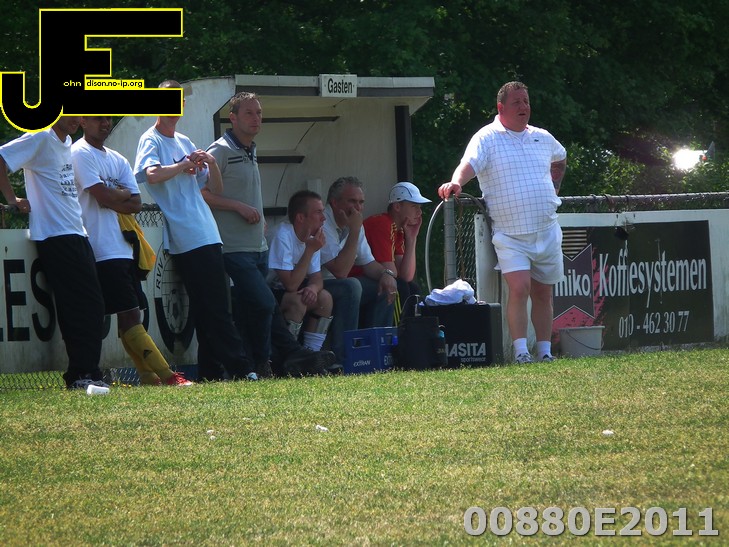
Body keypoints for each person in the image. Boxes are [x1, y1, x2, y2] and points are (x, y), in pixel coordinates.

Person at [204, 91, 336, 378]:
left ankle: (282, 359)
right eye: (249, 113)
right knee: (265, 304)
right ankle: (267, 363)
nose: (256, 118)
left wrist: (260, 218)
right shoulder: (219, 150)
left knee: (256, 309)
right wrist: (238, 207)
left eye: (259, 113)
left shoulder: (250, 148)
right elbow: (201, 193)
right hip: (232, 247)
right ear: (233, 118)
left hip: (257, 246)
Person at [133, 80, 257, 381]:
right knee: (217, 307)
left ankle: (210, 372)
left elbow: (215, 188)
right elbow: (150, 174)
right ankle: (242, 369)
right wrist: (182, 165)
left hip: (206, 232)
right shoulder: (150, 140)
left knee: (206, 307)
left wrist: (211, 162)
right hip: (188, 235)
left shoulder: (184, 140)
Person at [438, 81, 567, 364]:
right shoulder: (486, 137)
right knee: (519, 289)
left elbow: (560, 158)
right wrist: (456, 182)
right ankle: (521, 352)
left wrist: (554, 187)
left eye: (526, 101)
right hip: (510, 234)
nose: (524, 107)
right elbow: (469, 163)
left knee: (543, 292)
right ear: (501, 107)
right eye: (516, 102)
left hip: (546, 229)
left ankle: (545, 352)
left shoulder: (543, 137)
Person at [72, 116, 192, 386]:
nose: (105, 123)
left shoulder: (117, 158)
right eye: (98, 119)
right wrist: (119, 194)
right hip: (100, 249)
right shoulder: (80, 152)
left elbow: (136, 204)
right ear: (83, 122)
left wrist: (113, 195)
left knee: (129, 317)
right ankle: (167, 376)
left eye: (108, 118)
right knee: (129, 316)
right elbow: (102, 196)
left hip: (124, 249)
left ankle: (149, 377)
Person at [0, 117, 109, 390]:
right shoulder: (40, 137)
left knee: (94, 306)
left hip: (76, 232)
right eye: (70, 113)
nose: (76, 120)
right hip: (56, 235)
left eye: (79, 114)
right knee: (80, 306)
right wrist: (12, 198)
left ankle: (89, 373)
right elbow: (1, 158)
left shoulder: (68, 141)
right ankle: (81, 375)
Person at [320, 176, 397, 364]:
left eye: (361, 202)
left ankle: (377, 354)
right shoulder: (322, 222)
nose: (358, 208)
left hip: (337, 284)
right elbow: (340, 271)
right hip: (314, 284)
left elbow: (368, 263)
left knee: (387, 285)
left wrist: (386, 275)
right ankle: (345, 358)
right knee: (351, 286)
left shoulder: (354, 223)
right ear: (334, 202)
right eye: (352, 201)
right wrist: (354, 230)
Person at [268, 190, 333, 352]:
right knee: (298, 301)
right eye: (318, 212)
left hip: (286, 290)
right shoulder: (283, 235)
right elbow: (290, 285)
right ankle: (290, 355)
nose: (324, 218)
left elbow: (317, 277)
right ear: (300, 217)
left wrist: (313, 288)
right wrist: (309, 250)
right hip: (266, 292)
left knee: (324, 298)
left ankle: (312, 354)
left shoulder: (312, 238)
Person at [355, 181, 431, 317]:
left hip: (372, 279)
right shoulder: (382, 223)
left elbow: (407, 275)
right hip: (357, 279)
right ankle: (399, 329)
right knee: (399, 286)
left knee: (412, 287)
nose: (419, 212)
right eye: (414, 206)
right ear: (397, 206)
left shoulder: (399, 230)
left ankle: (411, 327)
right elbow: (392, 272)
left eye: (420, 207)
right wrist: (395, 272)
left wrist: (411, 239)